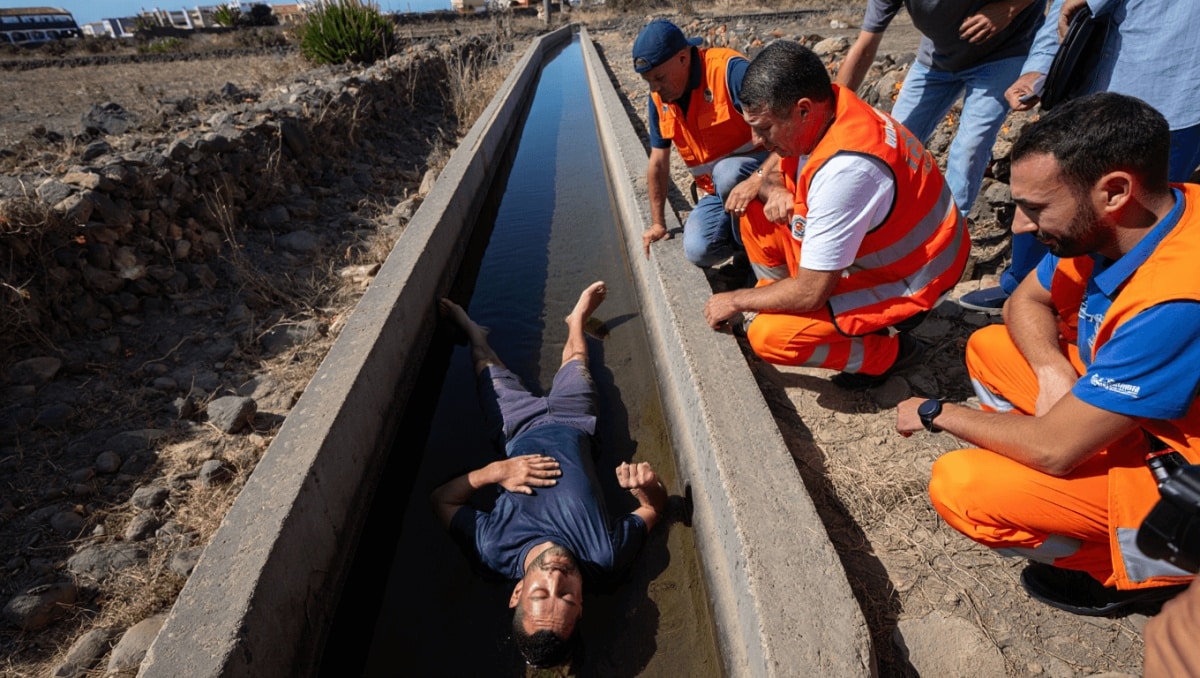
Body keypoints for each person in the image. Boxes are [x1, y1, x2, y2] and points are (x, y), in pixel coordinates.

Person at [896, 93, 1199, 615]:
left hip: (1185, 472)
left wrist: (936, 412)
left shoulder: (1177, 300)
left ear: (1115, 192)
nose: (1018, 226)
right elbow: (1024, 301)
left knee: (963, 487)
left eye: (1036, 209)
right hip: (1149, 422)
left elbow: (1055, 450)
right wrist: (1052, 369)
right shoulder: (1142, 219)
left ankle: (1148, 568)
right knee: (990, 346)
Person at [703, 40, 970, 390]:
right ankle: (774, 294)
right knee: (753, 205)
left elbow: (812, 292)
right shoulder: (831, 106)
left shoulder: (847, 170)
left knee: (770, 338)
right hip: (878, 256)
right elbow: (779, 170)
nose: (756, 141)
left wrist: (736, 300)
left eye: (764, 128)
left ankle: (886, 355)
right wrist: (765, 182)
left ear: (802, 110)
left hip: (910, 280)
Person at [430, 282, 667, 667]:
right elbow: (654, 510)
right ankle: (576, 321)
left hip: (515, 427)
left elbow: (440, 498)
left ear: (518, 593)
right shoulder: (603, 555)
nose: (556, 579)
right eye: (569, 597)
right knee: (577, 358)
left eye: (541, 595)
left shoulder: (493, 547)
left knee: (485, 366)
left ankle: (474, 332)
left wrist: (496, 471)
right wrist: (647, 487)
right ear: (582, 603)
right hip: (575, 423)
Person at [958, 0, 1200, 314]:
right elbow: (1066, 6)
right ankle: (1025, 289)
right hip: (1097, 91)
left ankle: (1095, 311)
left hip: (1174, 100)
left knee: (1134, 221)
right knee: (1049, 196)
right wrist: (1041, 66)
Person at [837, 0, 1046, 221]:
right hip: (938, 59)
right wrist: (832, 113)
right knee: (894, 142)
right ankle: (886, 226)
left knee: (969, 147)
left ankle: (949, 233)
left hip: (1004, 50)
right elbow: (864, 46)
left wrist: (1007, 9)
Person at [632, 18, 772, 268]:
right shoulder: (659, 99)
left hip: (769, 176)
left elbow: (792, 130)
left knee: (728, 172)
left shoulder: (728, 71)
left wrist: (758, 178)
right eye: (648, 81)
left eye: (659, 78)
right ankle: (746, 248)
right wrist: (658, 224)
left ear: (683, 58)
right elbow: (658, 164)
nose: (654, 88)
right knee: (699, 249)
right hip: (717, 190)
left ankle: (762, 260)